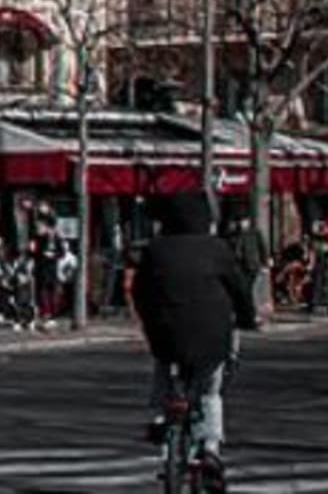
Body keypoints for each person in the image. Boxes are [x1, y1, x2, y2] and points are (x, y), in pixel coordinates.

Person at [133, 189, 259, 477]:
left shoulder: (156, 250)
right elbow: (239, 289)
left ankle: (162, 414)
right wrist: (248, 318)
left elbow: (140, 292)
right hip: (211, 336)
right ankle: (211, 448)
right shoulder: (216, 249)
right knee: (210, 391)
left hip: (166, 332)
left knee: (164, 366)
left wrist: (150, 319)